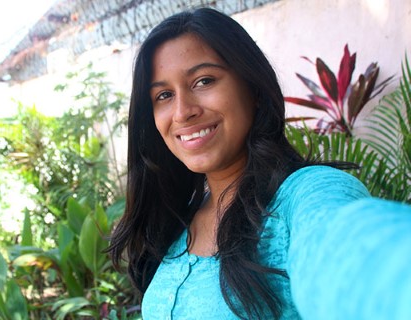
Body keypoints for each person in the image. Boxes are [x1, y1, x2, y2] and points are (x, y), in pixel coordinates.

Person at [108, 7, 411, 320]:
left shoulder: (304, 195)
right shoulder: (179, 216)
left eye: (204, 81)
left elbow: (350, 249)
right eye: (164, 95)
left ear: (252, 87)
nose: (182, 112)